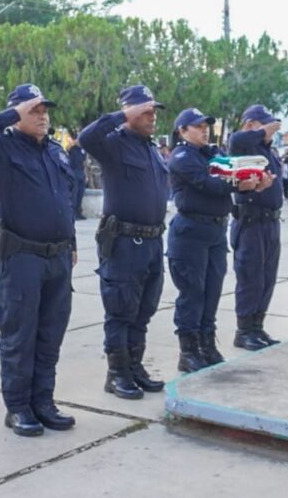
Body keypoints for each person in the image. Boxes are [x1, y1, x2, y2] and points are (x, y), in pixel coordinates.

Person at [0, 84, 78, 437]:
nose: (42, 116)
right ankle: (18, 408)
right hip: (20, 255)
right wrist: (14, 112)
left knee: (49, 335)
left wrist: (70, 242)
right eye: (34, 110)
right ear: (16, 113)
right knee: (19, 336)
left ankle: (43, 402)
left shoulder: (56, 152)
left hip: (57, 257)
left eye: (45, 110)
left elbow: (65, 201)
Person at [79, 85, 168, 400]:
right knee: (121, 310)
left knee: (143, 310)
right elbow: (86, 138)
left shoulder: (150, 147)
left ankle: (134, 366)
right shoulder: (114, 144)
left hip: (153, 241)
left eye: (154, 110)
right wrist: (121, 116)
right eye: (146, 111)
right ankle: (116, 374)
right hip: (125, 242)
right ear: (130, 112)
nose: (153, 116)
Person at [167, 108, 261, 372]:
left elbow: (232, 170)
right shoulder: (182, 156)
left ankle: (206, 344)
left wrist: (254, 181)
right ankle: (188, 351)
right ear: (182, 131)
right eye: (197, 126)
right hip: (191, 233)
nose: (205, 129)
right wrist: (238, 184)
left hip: (215, 232)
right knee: (192, 293)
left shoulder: (212, 153)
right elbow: (207, 183)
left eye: (206, 125)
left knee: (212, 291)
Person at [228, 104, 282, 350]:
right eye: (264, 124)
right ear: (251, 125)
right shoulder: (243, 145)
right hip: (250, 221)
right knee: (250, 277)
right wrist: (260, 132)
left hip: (271, 222)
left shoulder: (267, 151)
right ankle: (244, 330)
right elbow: (235, 139)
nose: (270, 130)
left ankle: (257, 327)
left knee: (267, 278)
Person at [66, 130, 88, 220]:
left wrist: (86, 175)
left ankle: (79, 213)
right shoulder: (72, 148)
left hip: (81, 172)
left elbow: (84, 163)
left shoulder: (83, 150)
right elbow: (67, 148)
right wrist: (74, 142)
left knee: (80, 194)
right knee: (74, 195)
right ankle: (73, 213)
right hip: (73, 172)